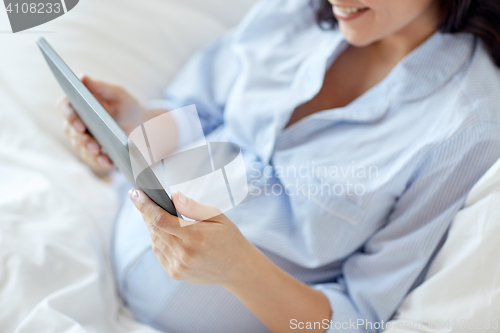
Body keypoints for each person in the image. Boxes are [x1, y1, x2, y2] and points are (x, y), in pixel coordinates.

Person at [57, 0, 500, 332]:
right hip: (100, 257)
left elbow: (359, 320)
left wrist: (240, 270)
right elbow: (208, 115)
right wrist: (136, 125)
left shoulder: (468, 127)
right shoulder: (293, 12)